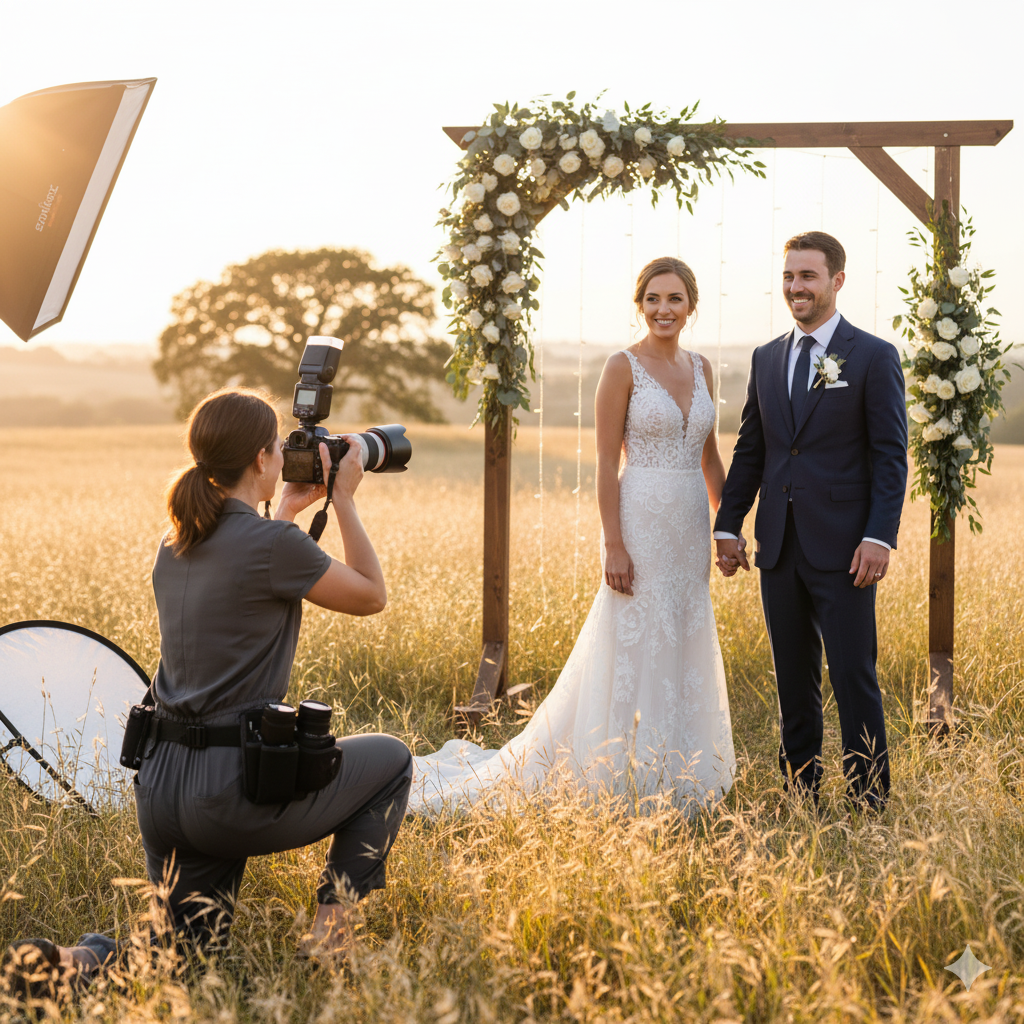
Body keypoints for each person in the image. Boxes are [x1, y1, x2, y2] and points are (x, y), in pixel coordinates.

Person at [9, 388, 412, 986]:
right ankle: (332, 934)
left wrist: (286, 514)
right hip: (227, 793)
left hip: (162, 788)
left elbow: (241, 575)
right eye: (278, 447)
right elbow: (371, 596)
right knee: (392, 761)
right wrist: (345, 500)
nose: (284, 455)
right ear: (260, 459)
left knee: (183, 959)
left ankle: (67, 967)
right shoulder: (273, 546)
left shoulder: (175, 544)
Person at [409, 257, 736, 814]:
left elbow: (710, 460)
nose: (664, 309)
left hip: (688, 529)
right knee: (631, 635)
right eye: (653, 298)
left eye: (675, 299)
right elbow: (605, 464)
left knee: (683, 629)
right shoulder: (622, 367)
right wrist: (613, 543)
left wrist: (727, 528)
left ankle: (679, 766)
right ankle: (616, 769)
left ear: (691, 305)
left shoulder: (703, 369)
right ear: (640, 304)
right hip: (639, 521)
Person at [713, 231, 908, 811]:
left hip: (847, 548)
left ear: (836, 282)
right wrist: (729, 525)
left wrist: (879, 535)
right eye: (790, 277)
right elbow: (754, 449)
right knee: (793, 680)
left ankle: (869, 799)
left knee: (853, 677)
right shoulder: (766, 357)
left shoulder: (872, 355)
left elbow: (890, 455)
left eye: (809, 277)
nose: (797, 287)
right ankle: (802, 794)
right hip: (778, 547)